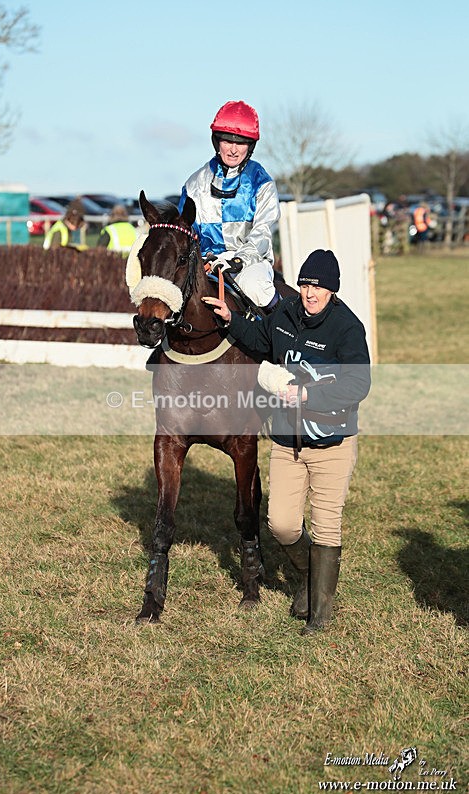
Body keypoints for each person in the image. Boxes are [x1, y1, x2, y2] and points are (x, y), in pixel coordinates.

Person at [202, 249, 371, 635]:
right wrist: (230, 321)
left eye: (320, 287)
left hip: (332, 443)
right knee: (281, 525)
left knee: (326, 526)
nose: (311, 293)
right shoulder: (286, 314)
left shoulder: (347, 328)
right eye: (307, 284)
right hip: (287, 442)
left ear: (333, 290)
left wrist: (310, 396)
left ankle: (319, 616)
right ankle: (313, 581)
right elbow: (259, 341)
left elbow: (359, 383)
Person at [178, 100, 281, 312]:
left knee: (255, 287)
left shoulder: (262, 183)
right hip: (205, 266)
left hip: (249, 264)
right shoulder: (194, 184)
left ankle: (282, 336)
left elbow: (262, 233)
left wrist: (238, 260)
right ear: (217, 142)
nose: (233, 150)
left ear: (250, 146)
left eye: (241, 143)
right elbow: (185, 233)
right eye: (227, 141)